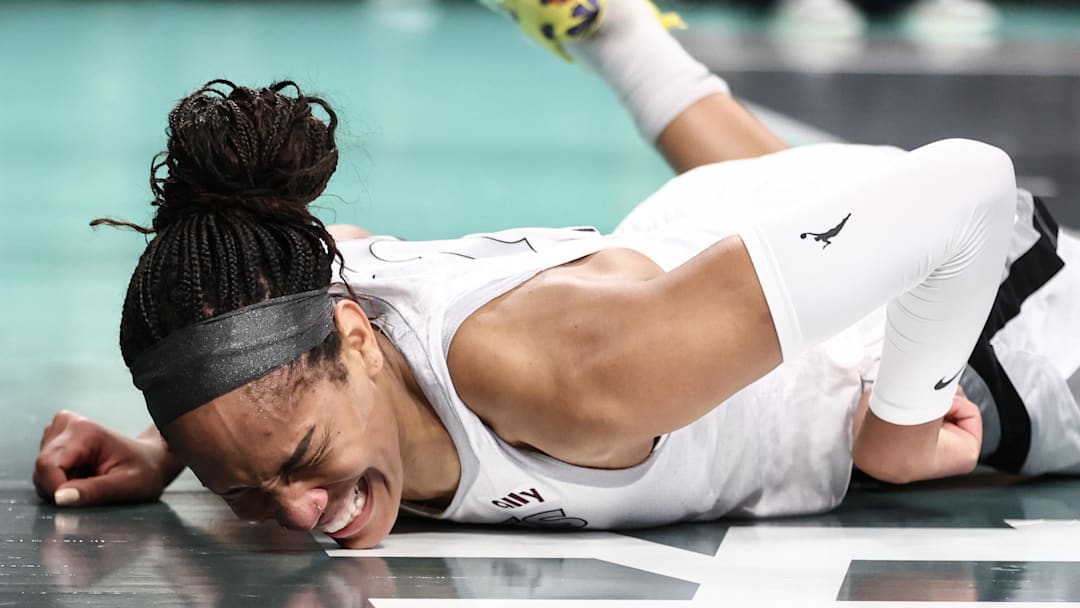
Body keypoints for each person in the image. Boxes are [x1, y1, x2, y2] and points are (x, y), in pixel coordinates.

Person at [32, 0, 1080, 551]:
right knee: (745, 221)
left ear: (355, 338)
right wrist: (165, 447)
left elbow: (969, 190)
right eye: (250, 493)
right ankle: (618, 28)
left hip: (982, 320)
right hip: (720, 235)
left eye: (301, 459)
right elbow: (291, 299)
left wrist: (900, 427)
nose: (300, 514)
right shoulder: (306, 288)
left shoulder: (578, 381)